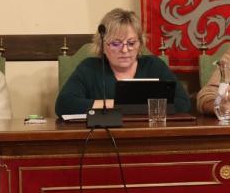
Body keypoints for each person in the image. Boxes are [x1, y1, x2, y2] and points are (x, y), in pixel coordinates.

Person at [55, 8, 190, 116]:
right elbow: (64, 105)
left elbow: (183, 103)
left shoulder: (154, 66)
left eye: (131, 43)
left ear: (140, 43)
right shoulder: (89, 68)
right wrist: (118, 105)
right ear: (102, 45)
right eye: (116, 43)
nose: (125, 50)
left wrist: (120, 107)